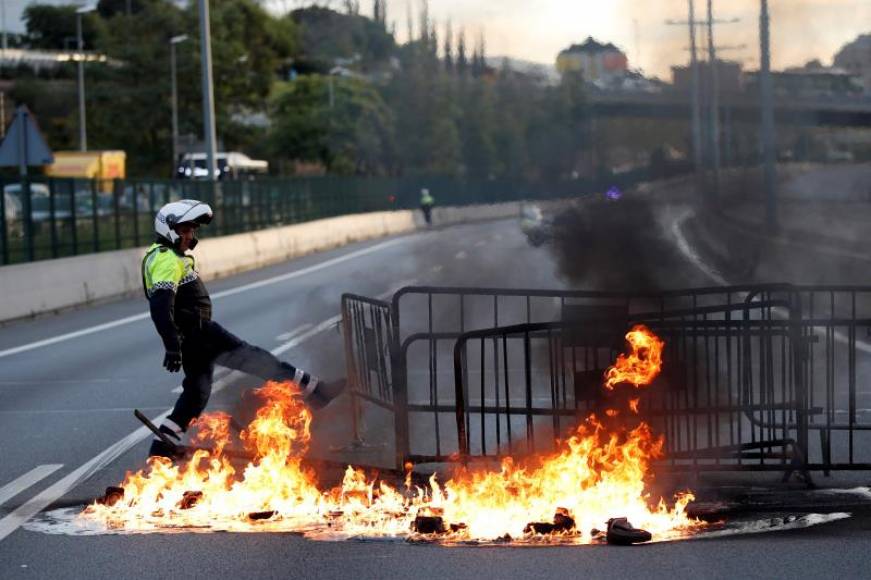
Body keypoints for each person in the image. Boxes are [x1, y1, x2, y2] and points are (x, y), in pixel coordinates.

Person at [142, 199, 344, 458]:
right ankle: (317, 391)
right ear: (169, 229)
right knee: (258, 360)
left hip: (192, 336)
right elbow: (160, 305)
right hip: (200, 332)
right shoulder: (165, 259)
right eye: (185, 230)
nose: (190, 235)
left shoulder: (166, 256)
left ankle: (161, 447)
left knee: (196, 394)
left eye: (192, 230)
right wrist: (170, 345)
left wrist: (174, 343)